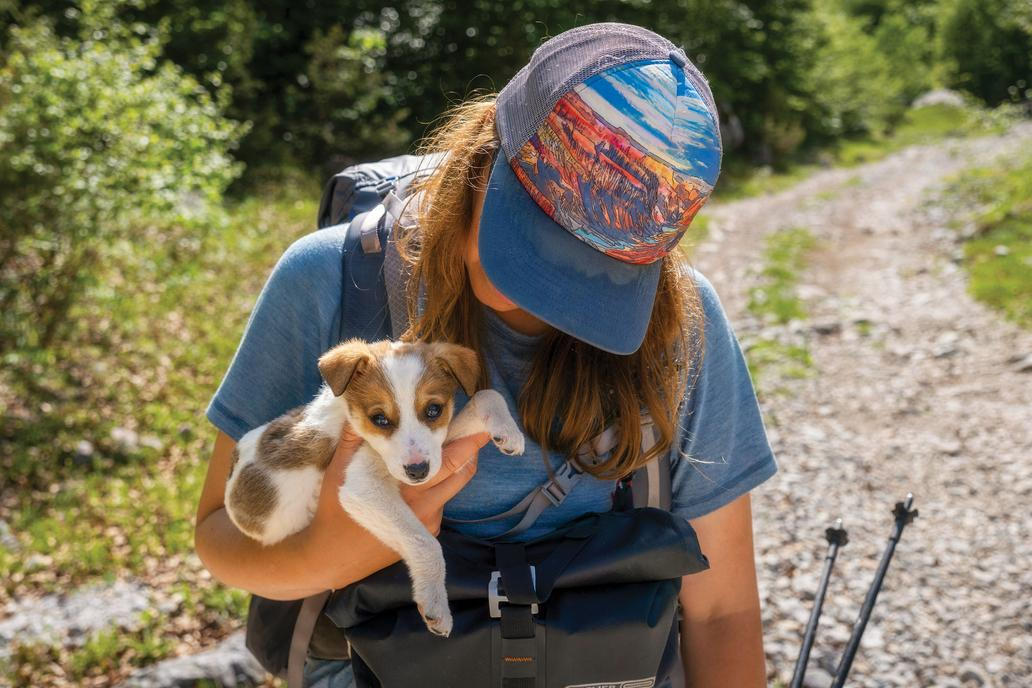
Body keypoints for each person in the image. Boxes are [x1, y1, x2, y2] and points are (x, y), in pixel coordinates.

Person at [194, 22, 778, 688]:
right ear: (481, 164)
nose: (548, 299)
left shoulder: (679, 324)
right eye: (532, 250)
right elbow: (219, 533)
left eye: (592, 278)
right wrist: (325, 556)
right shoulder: (328, 282)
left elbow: (723, 611)